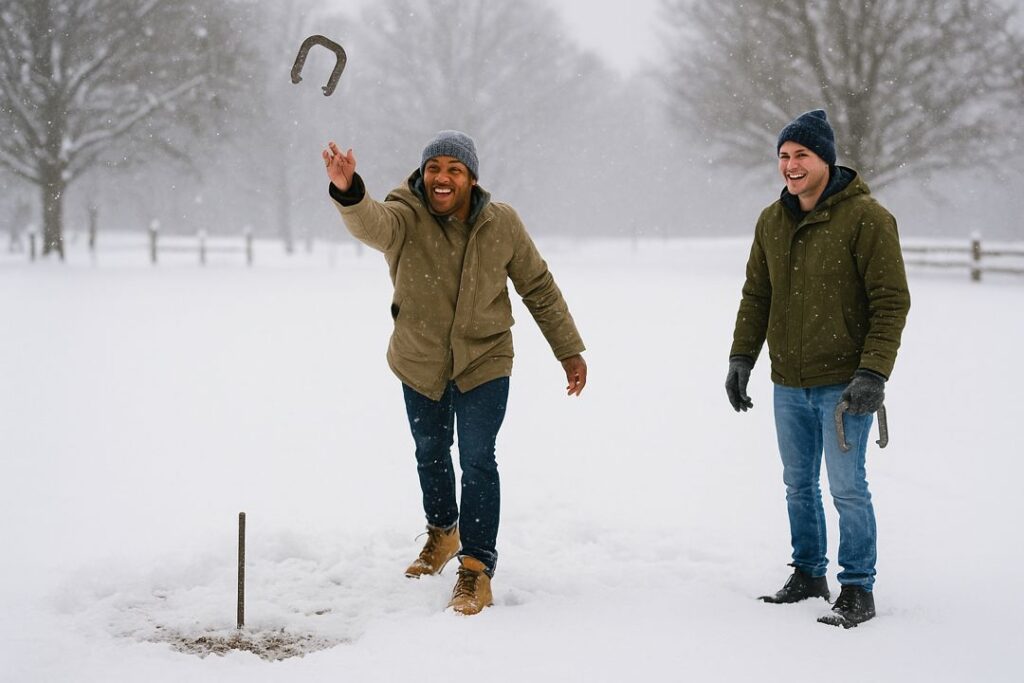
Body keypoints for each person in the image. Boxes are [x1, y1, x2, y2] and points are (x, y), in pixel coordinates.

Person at [322, 130, 587, 616]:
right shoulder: (406, 214)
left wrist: (567, 349)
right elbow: (372, 224)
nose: (442, 178)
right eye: (434, 168)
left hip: (484, 359)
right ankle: (443, 533)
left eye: (454, 169)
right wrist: (349, 190)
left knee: (478, 456)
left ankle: (476, 568)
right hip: (419, 359)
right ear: (423, 175)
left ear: (471, 178)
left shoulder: (501, 223)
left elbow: (538, 287)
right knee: (430, 450)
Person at [725, 110, 910, 628]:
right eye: (784, 156)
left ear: (825, 159)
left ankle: (857, 588)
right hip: (788, 381)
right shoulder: (771, 221)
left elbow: (891, 301)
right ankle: (808, 573)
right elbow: (756, 295)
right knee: (798, 484)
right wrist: (742, 357)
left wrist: (873, 372)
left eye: (801, 155)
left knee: (847, 488)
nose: (790, 165)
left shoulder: (867, 219)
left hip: (845, 384)